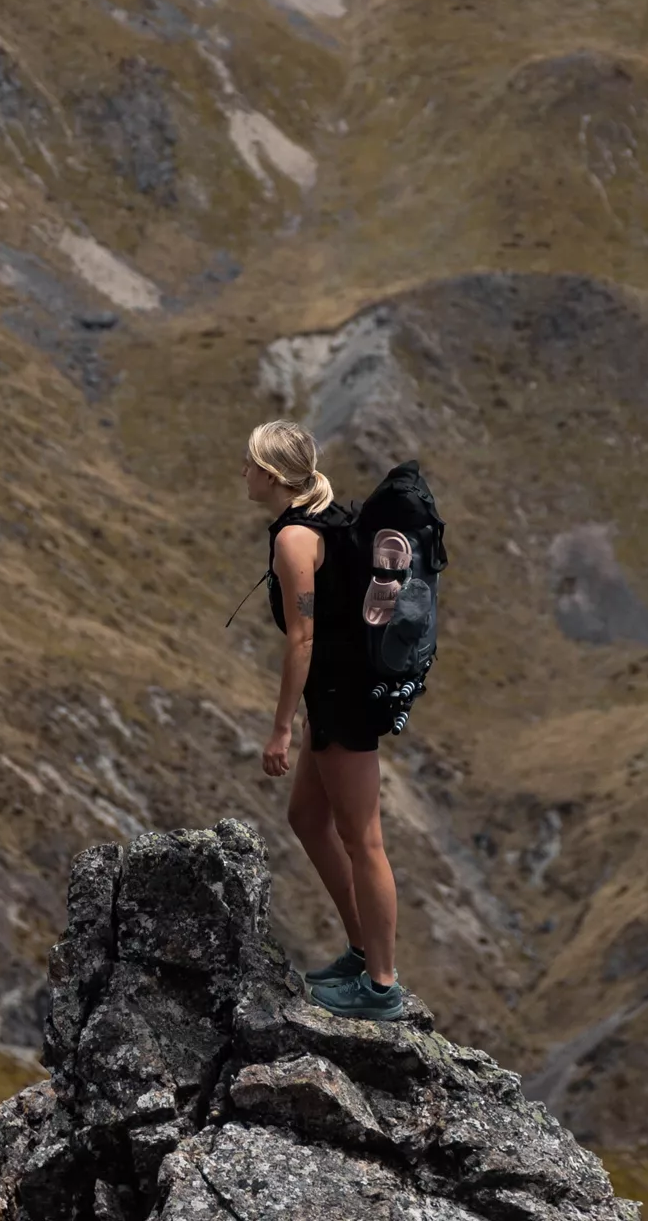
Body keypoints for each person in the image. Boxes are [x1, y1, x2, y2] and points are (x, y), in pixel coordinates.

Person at [246, 418, 408, 1021]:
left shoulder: (294, 539)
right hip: (340, 693)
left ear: (270, 473)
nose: (243, 473)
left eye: (249, 463)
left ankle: (382, 985)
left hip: (341, 698)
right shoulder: (329, 519)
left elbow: (302, 639)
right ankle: (363, 949)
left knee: (363, 840)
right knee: (307, 816)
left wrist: (281, 728)